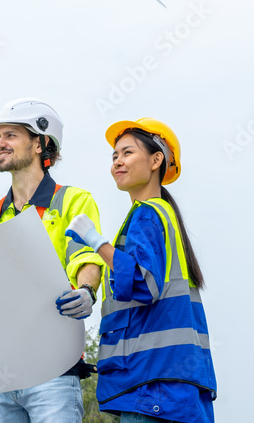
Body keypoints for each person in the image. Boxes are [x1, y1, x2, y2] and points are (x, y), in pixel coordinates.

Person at [0, 98, 104, 422]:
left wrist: (87, 290)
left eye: (10, 135)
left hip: (52, 364)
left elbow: (85, 257)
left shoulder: (72, 201)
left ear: (40, 143)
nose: (0, 143)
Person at [65, 118, 217, 423]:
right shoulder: (164, 215)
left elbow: (142, 283)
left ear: (156, 160)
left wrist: (96, 242)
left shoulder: (146, 215)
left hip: (153, 384)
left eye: (127, 153)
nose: (118, 162)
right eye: (114, 156)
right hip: (177, 382)